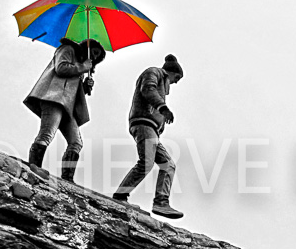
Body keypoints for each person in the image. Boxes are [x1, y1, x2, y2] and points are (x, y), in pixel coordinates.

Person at [113, 54, 184, 219]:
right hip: (143, 124)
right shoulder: (154, 72)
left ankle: (161, 202)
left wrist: (160, 126)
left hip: (151, 129)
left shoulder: (162, 84)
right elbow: (148, 89)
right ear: (171, 72)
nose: (176, 82)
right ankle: (120, 196)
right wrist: (162, 107)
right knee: (146, 162)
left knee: (169, 165)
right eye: (177, 77)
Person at [24, 38, 106, 182]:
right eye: (93, 52)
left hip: (69, 106)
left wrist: (85, 86)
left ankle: (67, 178)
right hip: (53, 98)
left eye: (97, 57)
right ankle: (34, 166)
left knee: (76, 142)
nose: (94, 57)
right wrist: (82, 67)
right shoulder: (67, 49)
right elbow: (61, 68)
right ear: (87, 47)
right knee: (47, 133)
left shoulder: (82, 64)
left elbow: (72, 87)